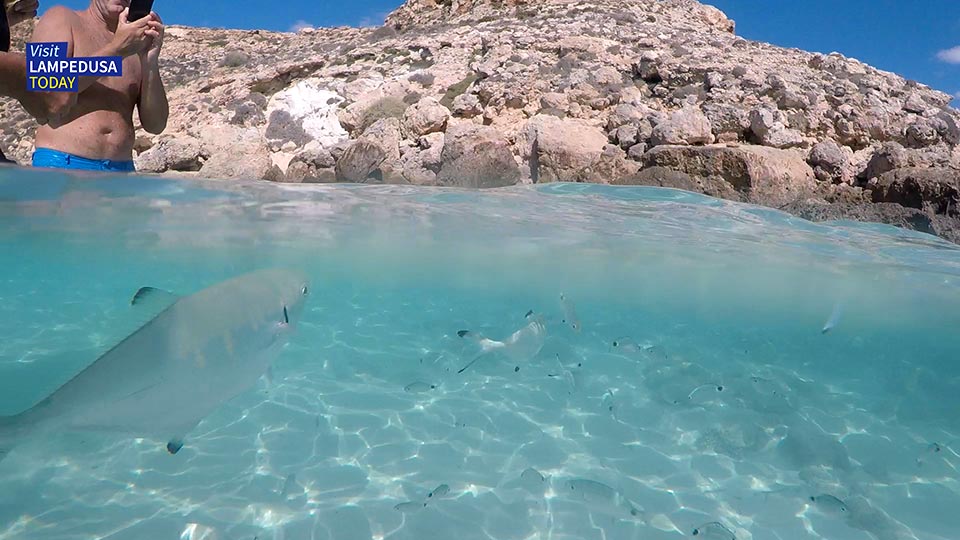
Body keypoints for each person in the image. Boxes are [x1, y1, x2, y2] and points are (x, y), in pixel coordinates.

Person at [28, 0, 168, 172]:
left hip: (121, 171)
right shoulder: (59, 17)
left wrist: (150, 62)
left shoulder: (135, 43)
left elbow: (156, 125)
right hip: (62, 163)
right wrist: (116, 51)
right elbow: (43, 88)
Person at [0, 0, 76, 164]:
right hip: (64, 159)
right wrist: (115, 53)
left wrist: (4, 22)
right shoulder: (59, 18)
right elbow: (52, 82)